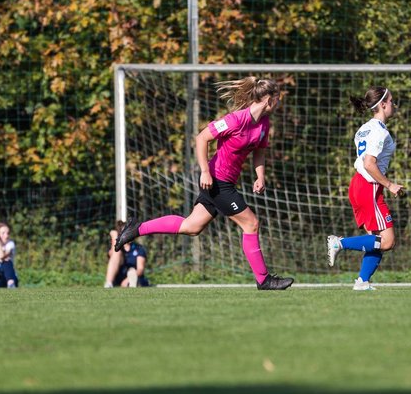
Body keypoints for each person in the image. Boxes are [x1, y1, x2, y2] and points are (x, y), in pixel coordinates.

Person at [112, 76, 293, 290]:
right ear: (269, 100)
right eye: (278, 99)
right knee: (250, 223)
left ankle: (136, 229)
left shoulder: (263, 123)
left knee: (191, 226)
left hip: (225, 182)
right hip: (217, 181)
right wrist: (205, 171)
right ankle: (264, 280)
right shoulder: (236, 119)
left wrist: (260, 176)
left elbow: (259, 152)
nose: (279, 103)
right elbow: (201, 138)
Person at [326, 86, 403, 291]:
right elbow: (369, 163)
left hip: (360, 185)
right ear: (383, 105)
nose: (394, 105)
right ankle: (339, 243)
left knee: (376, 240)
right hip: (368, 186)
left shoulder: (364, 128)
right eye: (392, 101)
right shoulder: (379, 131)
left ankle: (363, 282)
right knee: (387, 241)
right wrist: (390, 184)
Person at [105, 221, 148, 288]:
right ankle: (108, 283)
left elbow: (140, 269)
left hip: (133, 278)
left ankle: (132, 282)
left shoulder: (138, 248)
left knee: (132, 271)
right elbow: (112, 257)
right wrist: (114, 238)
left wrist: (128, 279)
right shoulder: (115, 248)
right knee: (117, 252)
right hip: (118, 280)